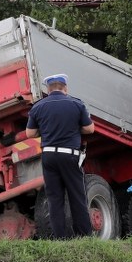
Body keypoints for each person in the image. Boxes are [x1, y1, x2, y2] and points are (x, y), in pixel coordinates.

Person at [25, 73, 95, 238]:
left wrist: (45, 130)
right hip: (69, 155)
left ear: (48, 90)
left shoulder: (38, 107)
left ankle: (60, 238)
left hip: (49, 156)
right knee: (77, 196)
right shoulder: (76, 104)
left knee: (54, 198)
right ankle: (84, 235)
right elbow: (90, 129)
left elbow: (30, 133)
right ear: (65, 88)